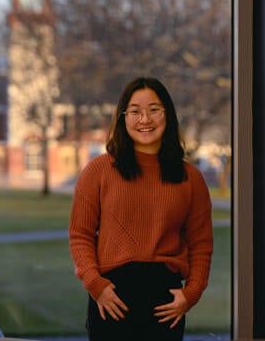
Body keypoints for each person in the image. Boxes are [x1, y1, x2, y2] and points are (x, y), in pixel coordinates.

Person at [69, 77, 214, 341]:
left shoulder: (191, 178)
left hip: (165, 304)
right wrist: (95, 284)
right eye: (135, 111)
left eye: (154, 110)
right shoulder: (99, 171)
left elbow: (201, 245)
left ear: (167, 114)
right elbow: (80, 235)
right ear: (123, 118)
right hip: (111, 299)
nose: (144, 119)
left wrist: (191, 293)